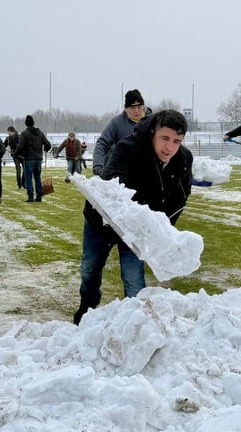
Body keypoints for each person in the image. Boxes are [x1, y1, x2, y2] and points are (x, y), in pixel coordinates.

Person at [73, 109, 194, 325]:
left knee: (134, 278)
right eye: (165, 138)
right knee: (90, 269)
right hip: (102, 222)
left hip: (138, 231)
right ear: (153, 133)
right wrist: (139, 221)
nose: (169, 147)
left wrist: (161, 230)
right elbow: (112, 191)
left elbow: (180, 198)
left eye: (176, 141)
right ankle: (87, 307)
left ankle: (135, 323)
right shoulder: (127, 149)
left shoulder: (183, 159)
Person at [92, 89, 147, 176]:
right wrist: (98, 165)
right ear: (126, 109)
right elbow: (102, 143)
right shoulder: (117, 123)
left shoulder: (153, 122)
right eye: (132, 108)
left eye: (139, 107)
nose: (136, 111)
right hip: (122, 171)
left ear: (143, 106)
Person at [15, 115, 51, 202]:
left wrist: (15, 154)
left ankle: (30, 197)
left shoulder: (24, 133)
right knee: (37, 177)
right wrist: (46, 149)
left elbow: (20, 146)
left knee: (28, 178)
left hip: (28, 159)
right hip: (38, 159)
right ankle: (39, 196)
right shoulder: (40, 133)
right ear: (33, 123)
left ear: (26, 124)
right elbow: (48, 144)